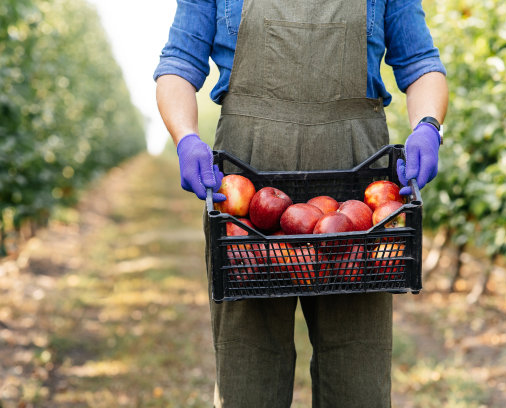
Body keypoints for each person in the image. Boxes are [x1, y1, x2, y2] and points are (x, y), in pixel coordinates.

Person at [154, 0, 448, 406]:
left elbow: (420, 63)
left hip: (355, 193)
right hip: (248, 198)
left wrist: (429, 126)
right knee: (248, 370)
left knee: (356, 373)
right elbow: (178, 64)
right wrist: (185, 136)